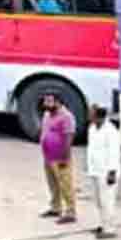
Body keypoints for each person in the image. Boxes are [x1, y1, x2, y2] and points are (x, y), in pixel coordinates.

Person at [39, 92, 77, 224]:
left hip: (60, 157)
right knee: (52, 184)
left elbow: (68, 138)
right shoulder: (46, 115)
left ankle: (71, 212)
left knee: (65, 184)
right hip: (48, 156)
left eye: (49, 101)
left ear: (58, 102)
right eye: (45, 101)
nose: (46, 104)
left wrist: (65, 158)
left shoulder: (67, 117)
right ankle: (56, 208)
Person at [86, 105, 121, 240]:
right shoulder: (92, 129)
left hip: (107, 172)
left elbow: (114, 153)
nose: (89, 116)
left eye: (91, 114)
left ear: (98, 116)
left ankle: (110, 229)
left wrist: (111, 173)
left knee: (107, 201)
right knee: (99, 201)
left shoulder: (111, 131)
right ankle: (102, 224)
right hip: (95, 170)